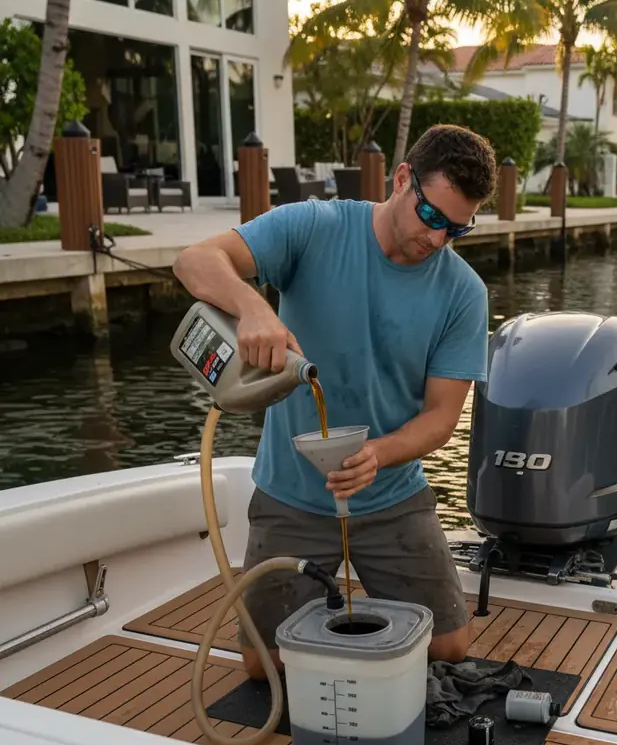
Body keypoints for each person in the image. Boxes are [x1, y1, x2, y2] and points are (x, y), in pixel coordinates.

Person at [172, 124, 497, 678]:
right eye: (432, 217)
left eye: (457, 230)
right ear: (401, 180)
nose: (437, 240)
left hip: (391, 491)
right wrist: (252, 308)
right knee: (262, 666)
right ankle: (330, 618)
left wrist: (379, 454)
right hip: (291, 493)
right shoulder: (315, 226)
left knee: (450, 647)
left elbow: (442, 418)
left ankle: (345, 622)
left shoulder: (464, 293)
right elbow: (194, 261)